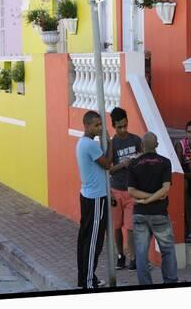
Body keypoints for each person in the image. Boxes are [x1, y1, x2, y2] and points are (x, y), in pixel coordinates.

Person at [128, 132, 178, 285]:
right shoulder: (165, 162)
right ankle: (170, 282)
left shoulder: (133, 164)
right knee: (167, 251)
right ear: (156, 145)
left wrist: (145, 200)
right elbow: (165, 190)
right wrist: (153, 197)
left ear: (142, 146)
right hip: (159, 214)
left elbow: (131, 191)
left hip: (140, 214)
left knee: (141, 254)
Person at [76, 110, 113, 289]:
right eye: (96, 125)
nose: (99, 128)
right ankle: (88, 282)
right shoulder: (90, 145)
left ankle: (86, 278)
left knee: (85, 239)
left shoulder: (83, 143)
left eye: (100, 124)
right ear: (87, 125)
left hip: (87, 196)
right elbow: (107, 164)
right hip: (96, 198)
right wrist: (111, 141)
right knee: (93, 242)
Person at [109, 107, 142, 271]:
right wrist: (123, 164)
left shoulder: (136, 140)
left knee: (130, 226)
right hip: (116, 190)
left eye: (125, 125)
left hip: (131, 190)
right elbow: (108, 169)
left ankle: (132, 257)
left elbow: (144, 161)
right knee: (116, 226)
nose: (123, 130)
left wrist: (137, 162)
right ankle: (120, 255)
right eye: (119, 127)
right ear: (113, 126)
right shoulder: (112, 144)